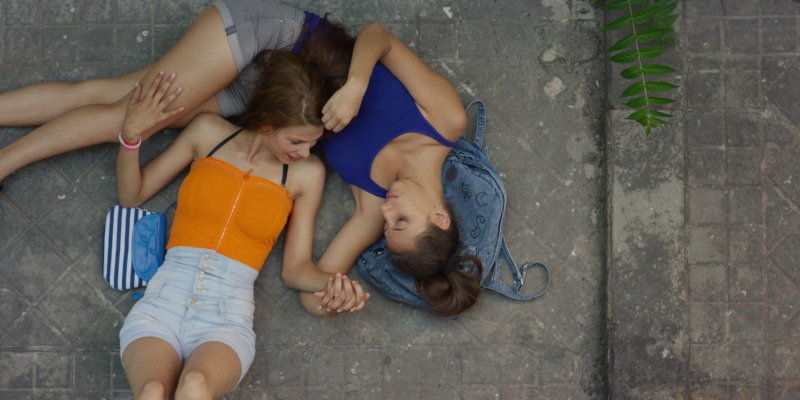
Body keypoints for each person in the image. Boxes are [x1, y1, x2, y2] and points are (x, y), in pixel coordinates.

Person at [115, 52, 366, 400]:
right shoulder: (207, 132)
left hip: (225, 319)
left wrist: (336, 286)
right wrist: (131, 136)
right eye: (296, 141)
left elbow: (295, 270)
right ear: (265, 121)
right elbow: (133, 194)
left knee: (194, 387)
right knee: (153, 391)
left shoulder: (307, 175)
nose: (307, 152)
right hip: (162, 303)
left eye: (313, 142)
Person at [0, 0, 354, 187]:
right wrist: (360, 82)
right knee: (124, 120)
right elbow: (376, 35)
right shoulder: (378, 92)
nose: (306, 153)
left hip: (260, 91)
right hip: (260, 39)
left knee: (108, 95)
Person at [300, 23, 483, 318]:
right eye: (400, 221)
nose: (386, 212)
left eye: (386, 228)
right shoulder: (445, 122)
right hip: (296, 38)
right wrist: (356, 87)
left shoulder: (372, 210)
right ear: (439, 217)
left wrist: (342, 296)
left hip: (266, 96)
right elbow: (377, 35)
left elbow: (313, 300)